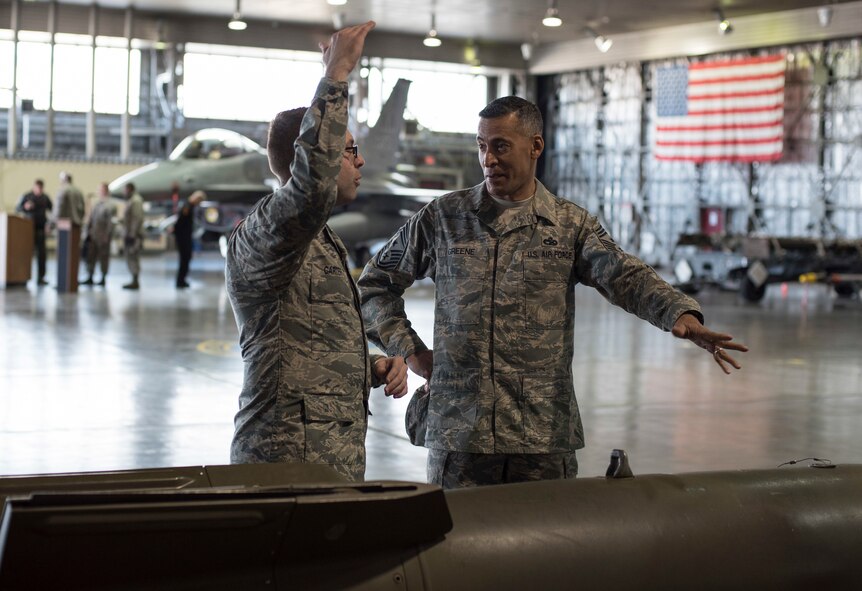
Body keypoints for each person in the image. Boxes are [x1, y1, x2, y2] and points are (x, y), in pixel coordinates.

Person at [358, 96, 748, 489]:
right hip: (461, 436)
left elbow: (624, 275)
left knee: (547, 545)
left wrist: (679, 314)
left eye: (500, 146)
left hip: (541, 438)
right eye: (481, 145)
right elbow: (376, 285)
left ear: (536, 146)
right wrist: (409, 350)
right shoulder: (444, 219)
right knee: (462, 543)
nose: (488, 159)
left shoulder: (569, 225)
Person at [225, 21, 408, 481]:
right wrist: (337, 74)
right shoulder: (263, 233)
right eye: (348, 151)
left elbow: (305, 348)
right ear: (313, 156)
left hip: (330, 461)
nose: (359, 161)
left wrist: (370, 366)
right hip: (284, 461)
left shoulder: (324, 242)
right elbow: (312, 188)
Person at [15, 179, 53, 285]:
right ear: (34, 187)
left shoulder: (45, 198)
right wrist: (25, 207)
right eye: (37, 188)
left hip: (41, 229)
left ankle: (41, 277)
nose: (39, 190)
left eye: (41, 188)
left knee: (42, 254)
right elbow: (17, 208)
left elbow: (52, 212)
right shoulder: (26, 196)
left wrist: (50, 225)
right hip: (28, 229)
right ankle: (22, 277)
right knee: (26, 253)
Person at [81, 182, 117, 286]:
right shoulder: (97, 204)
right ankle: (90, 276)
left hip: (103, 237)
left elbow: (111, 223)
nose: (99, 192)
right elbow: (91, 220)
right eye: (99, 190)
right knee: (90, 257)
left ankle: (103, 277)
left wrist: (107, 236)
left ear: (106, 191)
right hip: (93, 236)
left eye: (101, 190)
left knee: (103, 258)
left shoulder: (110, 206)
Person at [174, 190, 205, 288]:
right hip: (183, 237)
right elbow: (180, 222)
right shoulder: (187, 206)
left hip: (185, 236)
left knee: (186, 259)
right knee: (184, 259)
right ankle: (180, 281)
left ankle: (182, 280)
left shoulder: (189, 206)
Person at [122, 182, 145, 290]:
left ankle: (135, 280)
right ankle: (134, 279)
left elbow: (136, 218)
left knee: (133, 257)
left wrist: (132, 234)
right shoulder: (132, 200)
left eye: (125, 189)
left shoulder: (135, 201)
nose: (123, 192)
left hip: (134, 235)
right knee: (130, 257)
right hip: (131, 234)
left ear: (129, 189)